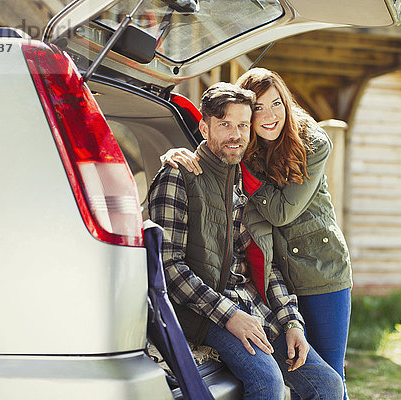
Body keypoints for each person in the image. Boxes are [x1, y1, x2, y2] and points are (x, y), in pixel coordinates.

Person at [162, 68, 353, 399]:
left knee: (329, 382)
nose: (236, 134)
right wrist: (231, 316)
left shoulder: (249, 174)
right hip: (208, 310)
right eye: (225, 125)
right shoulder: (180, 176)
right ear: (204, 128)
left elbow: (260, 256)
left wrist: (290, 322)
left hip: (304, 277)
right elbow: (169, 266)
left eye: (242, 125)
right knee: (270, 383)